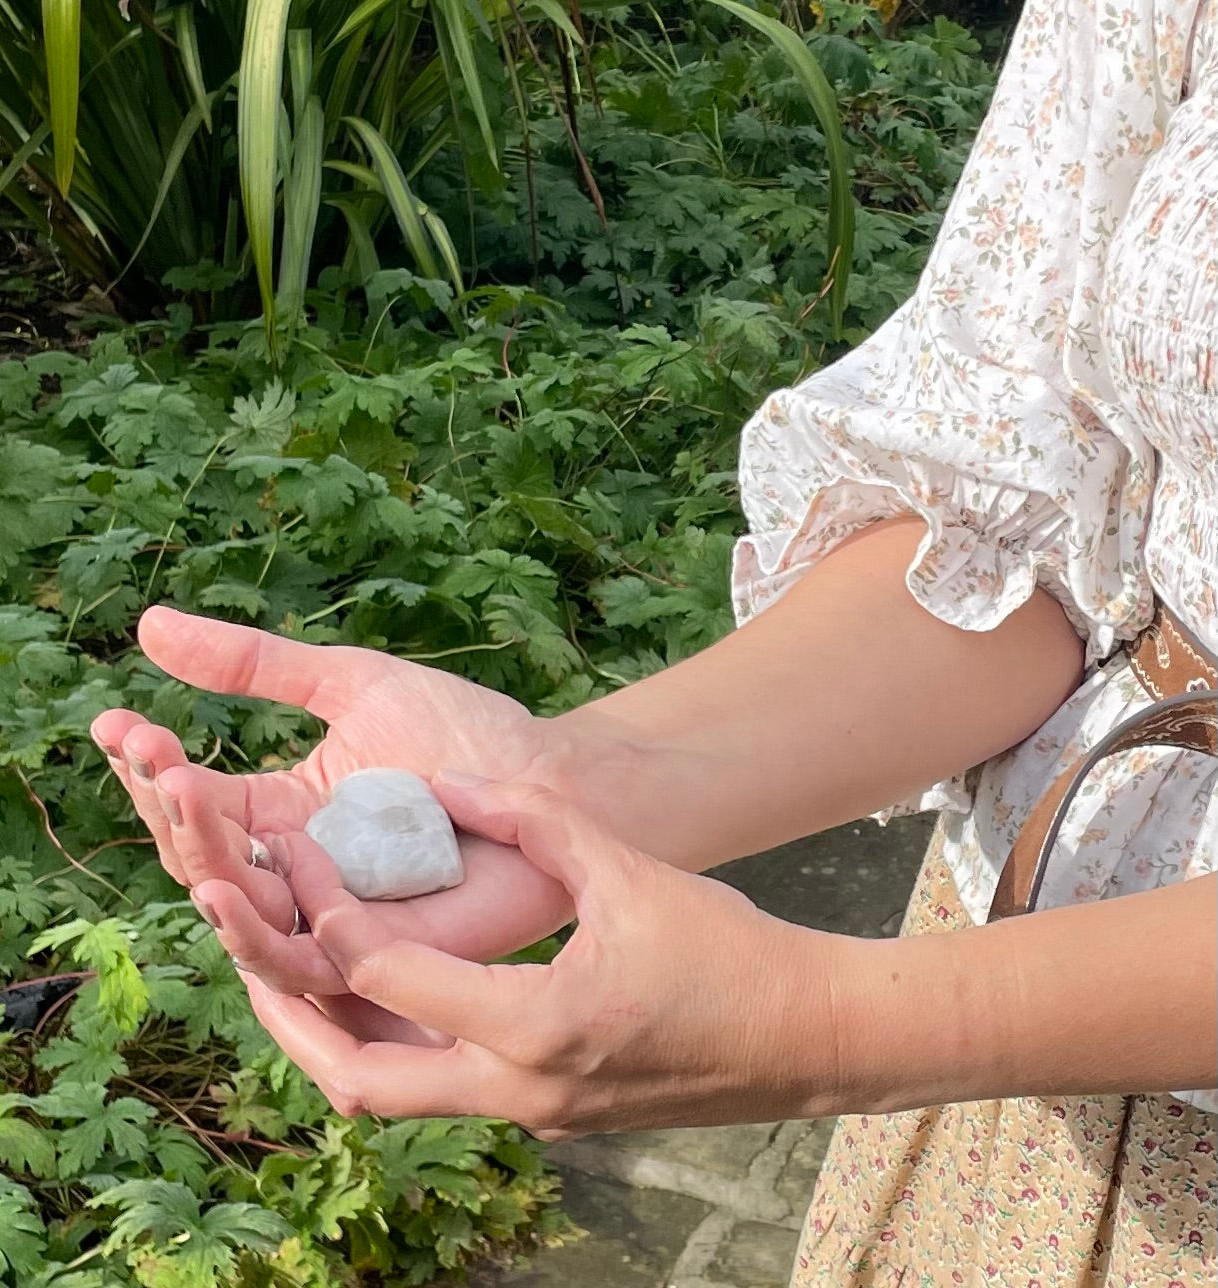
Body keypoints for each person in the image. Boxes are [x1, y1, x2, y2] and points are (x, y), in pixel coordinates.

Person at [90, 0, 1218, 1278]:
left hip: (1009, 1048)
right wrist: (561, 787)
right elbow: (1029, 520)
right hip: (1023, 1083)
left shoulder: (897, 1026)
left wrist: (834, 1028)